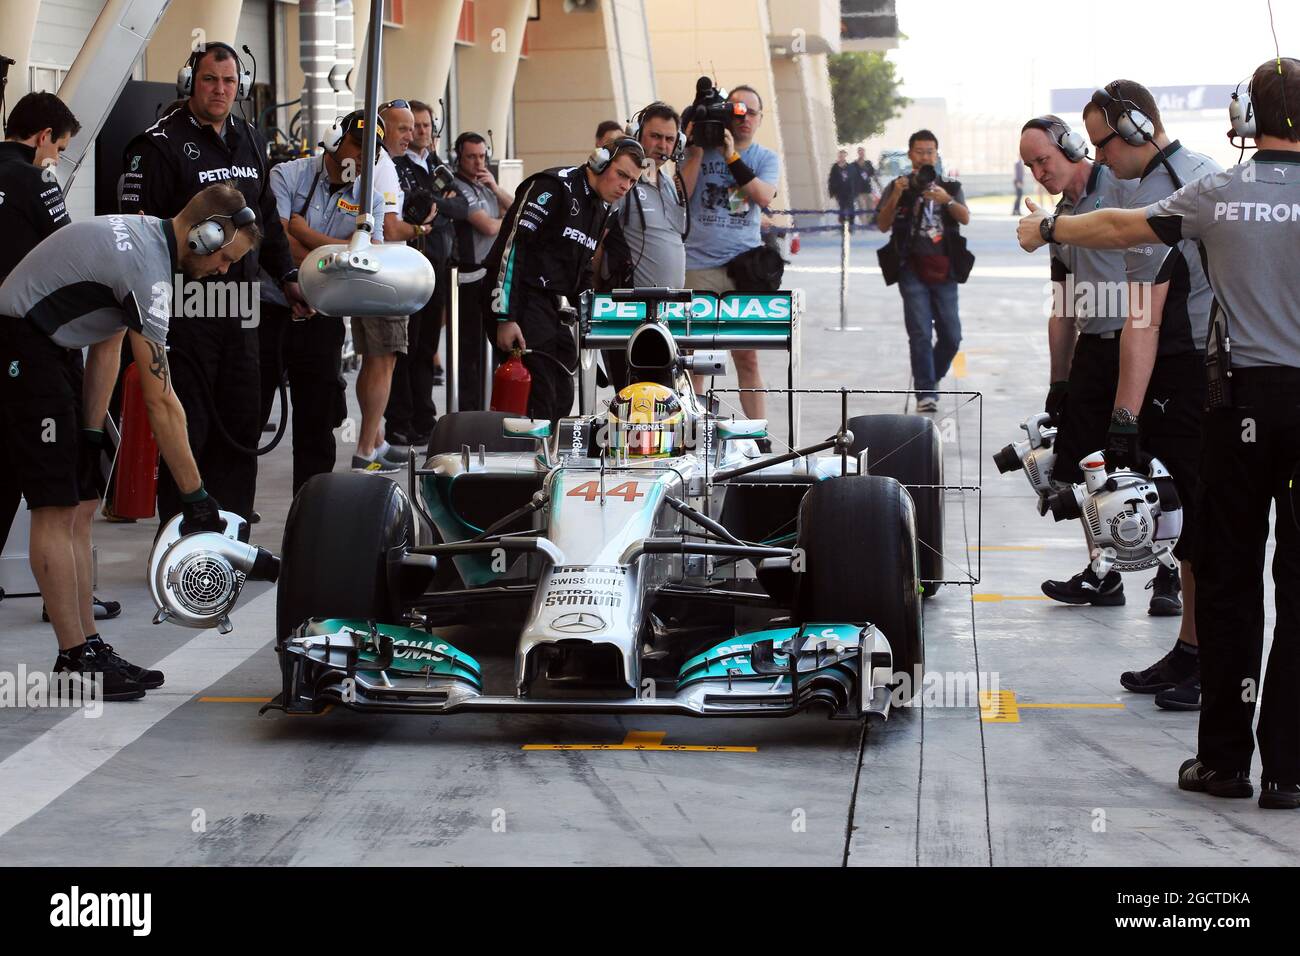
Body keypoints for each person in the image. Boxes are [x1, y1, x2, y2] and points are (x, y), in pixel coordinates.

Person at [1015, 57, 1300, 809]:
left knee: (1233, 582)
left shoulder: (1217, 191)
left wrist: (1046, 226)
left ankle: (1225, 763)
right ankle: (1292, 770)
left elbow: (1117, 227)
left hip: (1238, 406)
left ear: (1247, 118)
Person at [0, 183, 253, 700]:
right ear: (206, 235)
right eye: (226, 258)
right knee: (54, 505)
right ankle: (75, 658)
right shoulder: (149, 271)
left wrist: (92, 434)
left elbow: (106, 340)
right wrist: (195, 496)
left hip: (49, 345)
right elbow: (162, 402)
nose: (225, 270)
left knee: (82, 500)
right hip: (19, 343)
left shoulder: (143, 240)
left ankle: (88, 646)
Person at [119, 42, 309, 524]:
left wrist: (287, 276)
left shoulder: (248, 136)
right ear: (190, 83)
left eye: (228, 81)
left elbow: (264, 215)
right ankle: (182, 541)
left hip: (242, 307)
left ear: (240, 87)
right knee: (190, 428)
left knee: (241, 426)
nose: (220, 90)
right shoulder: (157, 144)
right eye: (210, 80)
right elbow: (137, 232)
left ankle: (231, 537)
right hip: (185, 310)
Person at [1078, 80, 1221, 711]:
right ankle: (1192, 651)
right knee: (1197, 524)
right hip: (1221, 369)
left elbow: (1144, 318)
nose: (1101, 158)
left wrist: (1124, 421)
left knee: (1209, 528)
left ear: (1136, 126)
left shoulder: (1162, 201)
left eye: (1103, 143)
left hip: (1193, 377)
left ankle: (1209, 663)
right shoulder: (1207, 172)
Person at [1018, 115, 1132, 610]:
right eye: (1030, 165)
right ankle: (1103, 573)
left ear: (1070, 146)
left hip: (1139, 342)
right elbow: (1062, 306)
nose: (1040, 172)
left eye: (1044, 159)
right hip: (1094, 347)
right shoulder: (1058, 222)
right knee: (1086, 464)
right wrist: (1058, 380)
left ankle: (1172, 572)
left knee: (1151, 463)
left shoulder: (1122, 189)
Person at [257, 110, 388, 494]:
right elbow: (274, 240)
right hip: (269, 308)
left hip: (323, 316)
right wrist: (340, 251)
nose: (362, 158)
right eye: (357, 146)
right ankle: (235, 512)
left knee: (318, 422)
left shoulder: (372, 201)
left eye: (372, 152)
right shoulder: (287, 175)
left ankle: (311, 510)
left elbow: (365, 262)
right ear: (334, 140)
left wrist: (303, 232)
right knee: (250, 414)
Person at [483, 137, 644, 421]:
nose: (625, 186)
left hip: (551, 306)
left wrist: (593, 315)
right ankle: (531, 460)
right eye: (621, 174)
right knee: (541, 394)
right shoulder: (553, 186)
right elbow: (512, 248)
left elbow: (581, 271)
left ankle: (551, 457)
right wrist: (505, 317)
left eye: (632, 181)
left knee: (562, 391)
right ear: (599, 161)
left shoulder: (602, 209)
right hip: (518, 298)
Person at [680, 84, 780, 422]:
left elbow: (764, 196)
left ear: (761, 118)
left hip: (742, 267)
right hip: (697, 264)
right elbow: (682, 194)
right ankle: (694, 429)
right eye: (738, 111)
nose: (745, 118)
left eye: (752, 112)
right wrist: (695, 147)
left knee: (747, 357)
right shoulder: (699, 150)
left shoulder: (764, 157)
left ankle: (757, 433)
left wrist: (731, 156)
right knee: (696, 359)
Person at [348, 99, 431, 473]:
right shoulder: (381, 165)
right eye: (402, 128)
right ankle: (366, 448)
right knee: (384, 362)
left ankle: (375, 440)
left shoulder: (377, 162)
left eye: (412, 128)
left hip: (369, 274)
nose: (410, 135)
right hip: (384, 277)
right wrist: (421, 228)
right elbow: (393, 228)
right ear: (382, 129)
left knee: (373, 361)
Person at [386, 99, 467, 447]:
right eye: (411, 126)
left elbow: (459, 206)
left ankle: (424, 418)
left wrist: (434, 205)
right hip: (406, 269)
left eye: (424, 125)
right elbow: (409, 208)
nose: (419, 131)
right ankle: (399, 422)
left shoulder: (435, 163)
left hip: (437, 269)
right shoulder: (392, 164)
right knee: (404, 349)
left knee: (426, 349)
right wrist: (431, 204)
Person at [875, 129, 973, 413]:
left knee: (952, 336)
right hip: (911, 267)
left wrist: (947, 201)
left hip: (945, 267)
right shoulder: (899, 185)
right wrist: (896, 194)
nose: (925, 157)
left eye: (930, 151)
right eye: (920, 151)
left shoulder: (950, 186)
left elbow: (965, 217)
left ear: (937, 154)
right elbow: (882, 224)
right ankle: (926, 393)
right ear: (910, 154)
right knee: (919, 332)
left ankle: (928, 380)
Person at [600, 101, 689, 392]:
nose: (662, 145)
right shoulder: (626, 180)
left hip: (668, 315)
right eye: (655, 136)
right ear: (638, 134)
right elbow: (599, 237)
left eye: (669, 138)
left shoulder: (666, 180)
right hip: (632, 316)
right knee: (636, 400)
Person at [451, 131, 512, 412]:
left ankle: (486, 405)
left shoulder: (486, 183)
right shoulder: (457, 186)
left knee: (488, 348)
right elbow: (487, 226)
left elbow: (515, 208)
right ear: (459, 158)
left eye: (482, 156)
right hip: (468, 277)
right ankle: (469, 408)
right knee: (470, 350)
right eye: (471, 157)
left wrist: (496, 187)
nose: (478, 163)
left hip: (491, 274)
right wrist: (504, 220)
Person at [828, 148, 856, 232]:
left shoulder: (850, 167)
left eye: (843, 155)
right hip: (839, 192)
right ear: (838, 156)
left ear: (845, 156)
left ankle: (851, 225)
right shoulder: (835, 167)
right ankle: (843, 225)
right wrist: (832, 191)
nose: (841, 157)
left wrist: (854, 191)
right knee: (842, 208)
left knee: (851, 208)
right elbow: (831, 179)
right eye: (840, 155)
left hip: (849, 191)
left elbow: (854, 178)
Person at [854, 146, 877, 217]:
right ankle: (863, 224)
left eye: (862, 151)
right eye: (860, 151)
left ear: (864, 153)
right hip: (859, 190)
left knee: (870, 207)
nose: (861, 153)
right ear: (858, 153)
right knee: (862, 208)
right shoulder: (854, 164)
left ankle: (869, 223)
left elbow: (873, 174)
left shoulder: (868, 163)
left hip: (868, 189)